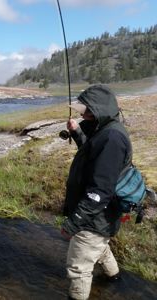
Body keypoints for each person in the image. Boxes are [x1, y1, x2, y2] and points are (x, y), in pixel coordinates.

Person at [60, 85, 131, 300]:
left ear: (99, 109)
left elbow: (100, 191)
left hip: (95, 215)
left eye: (87, 110)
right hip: (101, 216)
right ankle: (115, 280)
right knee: (99, 246)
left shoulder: (112, 138)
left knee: (78, 267)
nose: (83, 114)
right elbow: (92, 154)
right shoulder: (105, 129)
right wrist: (77, 133)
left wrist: (75, 222)